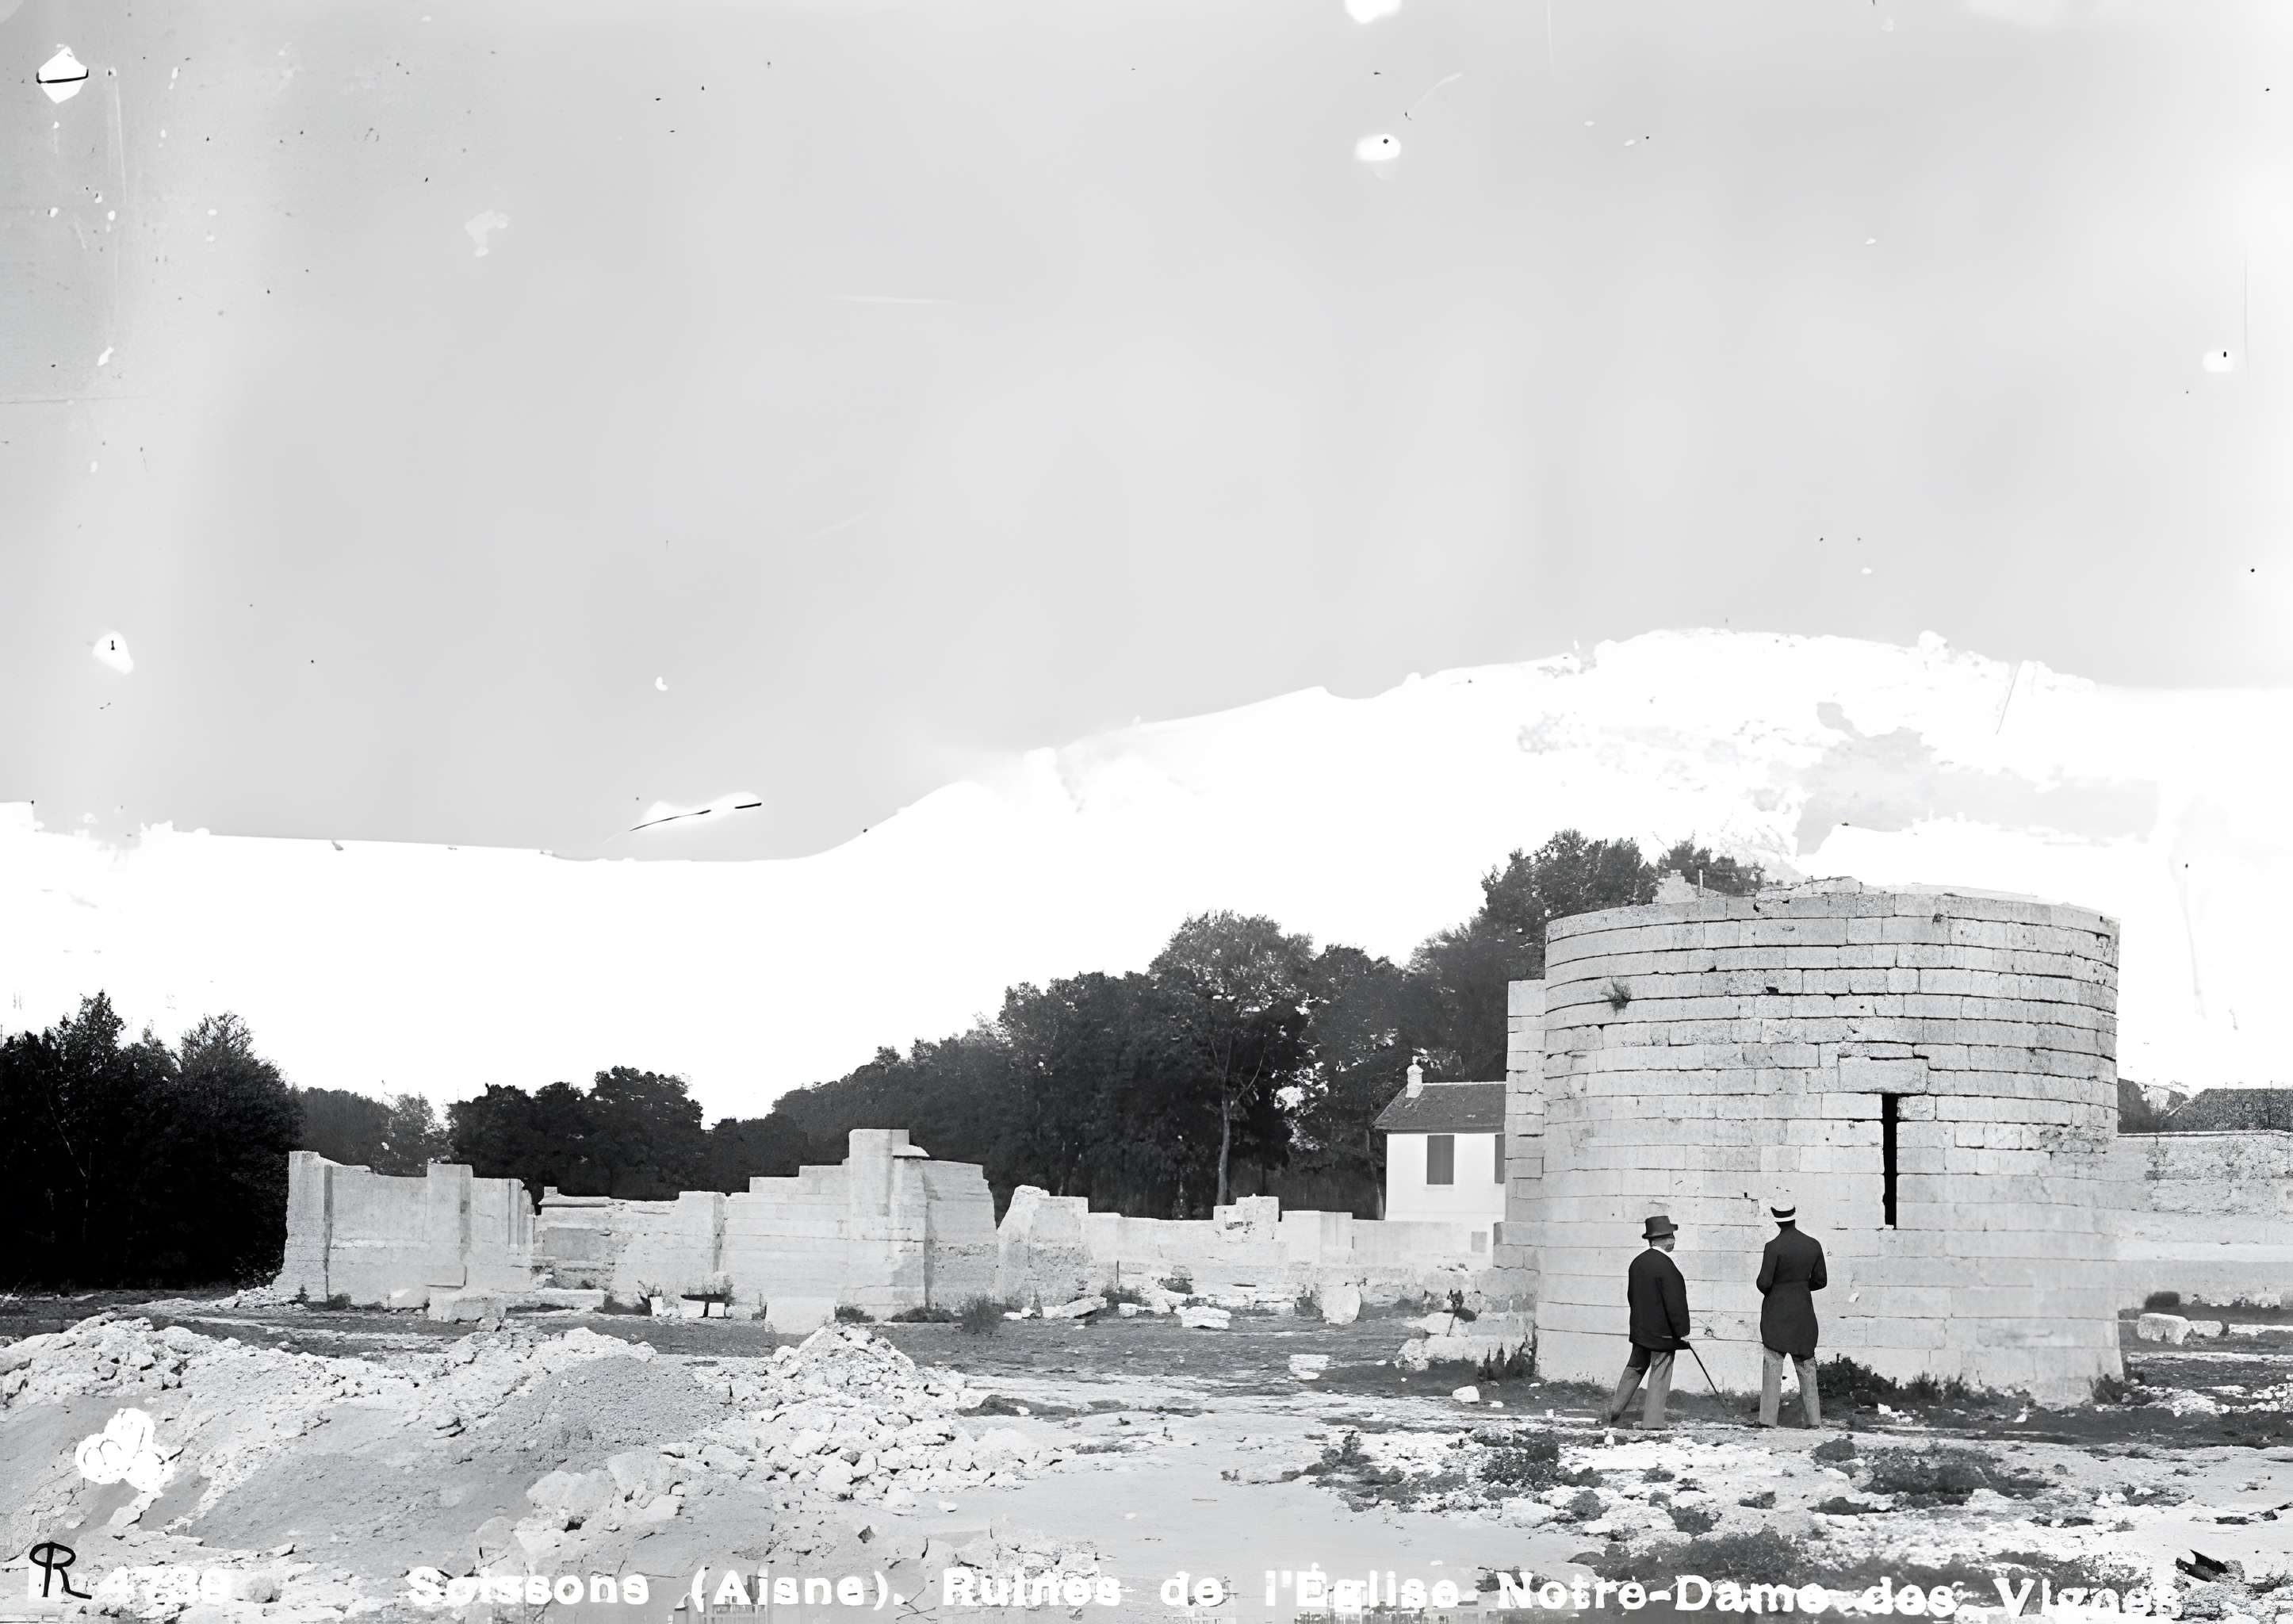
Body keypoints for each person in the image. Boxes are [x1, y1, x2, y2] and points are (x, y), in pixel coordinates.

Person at [1602, 1214, 1691, 1429]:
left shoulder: (1638, 1263)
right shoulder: (1668, 1267)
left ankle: (1613, 1412)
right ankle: (1652, 1423)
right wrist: (1682, 1331)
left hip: (1641, 1330)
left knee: (1634, 1367)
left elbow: (1632, 1296)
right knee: (1660, 1372)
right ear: (1664, 1238)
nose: (1674, 1240)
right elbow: (1675, 1304)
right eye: (1671, 1236)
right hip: (1663, 1333)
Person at [1754, 1190, 1827, 1428]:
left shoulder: (1773, 1247)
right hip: (1803, 1311)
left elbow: (1764, 1282)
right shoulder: (1813, 1245)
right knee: (1806, 1364)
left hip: (1777, 1312)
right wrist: (1800, 1287)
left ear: (1776, 1218)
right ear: (1795, 1216)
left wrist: (1779, 1289)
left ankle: (1768, 1420)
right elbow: (1821, 1281)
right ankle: (1814, 1420)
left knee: (1773, 1362)